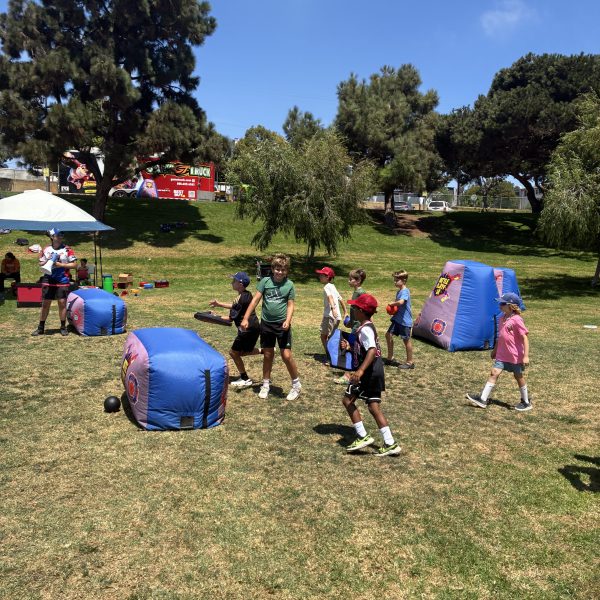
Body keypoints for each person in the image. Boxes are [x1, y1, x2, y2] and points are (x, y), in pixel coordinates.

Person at [340, 293, 401, 456]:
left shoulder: (365, 329)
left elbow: (372, 351)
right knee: (373, 406)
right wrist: (350, 348)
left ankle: (362, 435)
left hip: (368, 372)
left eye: (355, 307)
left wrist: (360, 371)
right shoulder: (366, 326)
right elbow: (366, 349)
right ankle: (390, 443)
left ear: (361, 310)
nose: (353, 310)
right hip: (376, 370)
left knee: (347, 400)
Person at [241, 253, 301, 401]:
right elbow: (255, 301)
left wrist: (288, 320)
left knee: (286, 355)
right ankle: (265, 385)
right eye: (277, 269)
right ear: (273, 269)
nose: (280, 272)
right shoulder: (265, 282)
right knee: (268, 355)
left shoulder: (289, 285)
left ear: (286, 271)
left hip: (282, 325)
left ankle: (296, 385)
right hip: (266, 324)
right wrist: (246, 318)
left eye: (283, 270)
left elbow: (290, 305)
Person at [466, 292, 531, 411]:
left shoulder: (517, 320)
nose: (500, 305)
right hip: (502, 354)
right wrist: (495, 350)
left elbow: (525, 337)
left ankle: (526, 402)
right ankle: (483, 399)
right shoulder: (502, 318)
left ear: (511, 306)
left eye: (502, 303)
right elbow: (501, 337)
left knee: (518, 376)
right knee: (494, 373)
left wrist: (525, 356)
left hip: (515, 356)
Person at [209, 271, 261, 389]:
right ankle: (265, 351)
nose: (232, 282)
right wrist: (219, 304)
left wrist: (213, 317)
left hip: (246, 329)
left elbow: (229, 319)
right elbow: (235, 306)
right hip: (254, 327)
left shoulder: (240, 299)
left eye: (234, 281)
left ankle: (245, 378)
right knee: (241, 352)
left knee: (233, 353)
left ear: (241, 284)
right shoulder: (247, 294)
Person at [32, 228, 77, 337]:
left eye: (62, 235)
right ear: (52, 237)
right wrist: (47, 262)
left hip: (62, 279)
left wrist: (61, 265)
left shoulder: (67, 249)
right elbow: (40, 263)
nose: (60, 237)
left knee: (62, 303)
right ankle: (40, 328)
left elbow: (75, 265)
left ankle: (62, 327)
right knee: (45, 303)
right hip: (48, 279)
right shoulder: (46, 249)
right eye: (58, 235)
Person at [334, 268, 367, 385]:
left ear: (358, 281)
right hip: (355, 325)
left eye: (351, 279)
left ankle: (348, 375)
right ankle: (356, 373)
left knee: (350, 349)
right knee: (354, 349)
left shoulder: (360, 293)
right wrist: (350, 321)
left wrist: (363, 324)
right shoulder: (356, 292)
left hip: (358, 327)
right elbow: (354, 309)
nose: (348, 281)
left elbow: (365, 309)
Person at [315, 266, 346, 364]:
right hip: (337, 317)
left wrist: (332, 308)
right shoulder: (333, 286)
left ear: (327, 277)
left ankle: (330, 357)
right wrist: (345, 311)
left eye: (322, 275)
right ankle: (334, 356)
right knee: (329, 336)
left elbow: (330, 297)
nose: (319, 276)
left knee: (324, 337)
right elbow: (340, 299)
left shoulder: (327, 287)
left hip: (330, 316)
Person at [385, 270, 414, 369]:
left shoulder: (405, 291)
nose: (395, 282)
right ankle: (390, 357)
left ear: (404, 280)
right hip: (397, 319)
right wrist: (392, 310)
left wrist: (392, 304)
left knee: (406, 340)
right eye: (394, 280)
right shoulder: (399, 291)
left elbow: (401, 302)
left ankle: (410, 362)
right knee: (388, 334)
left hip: (405, 321)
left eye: (397, 280)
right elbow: (399, 306)